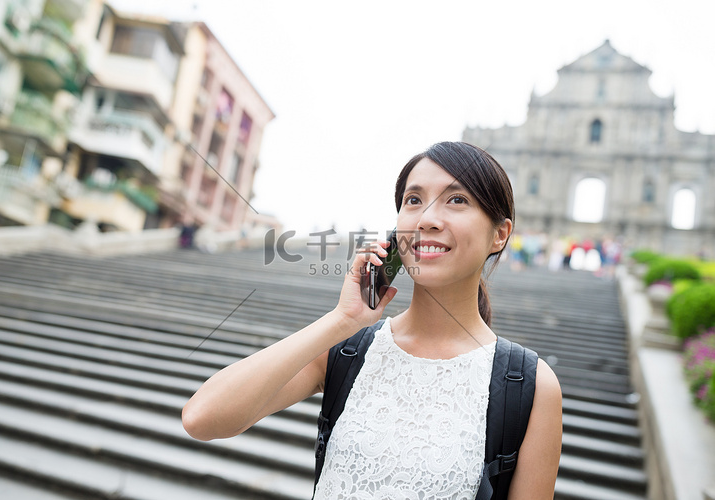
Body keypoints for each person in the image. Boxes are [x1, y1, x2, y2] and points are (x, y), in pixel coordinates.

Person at [182, 141, 563, 499]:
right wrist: (342, 320)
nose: (427, 218)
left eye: (457, 200)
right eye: (414, 200)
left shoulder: (529, 385)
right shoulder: (350, 348)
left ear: (500, 235)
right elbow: (202, 418)